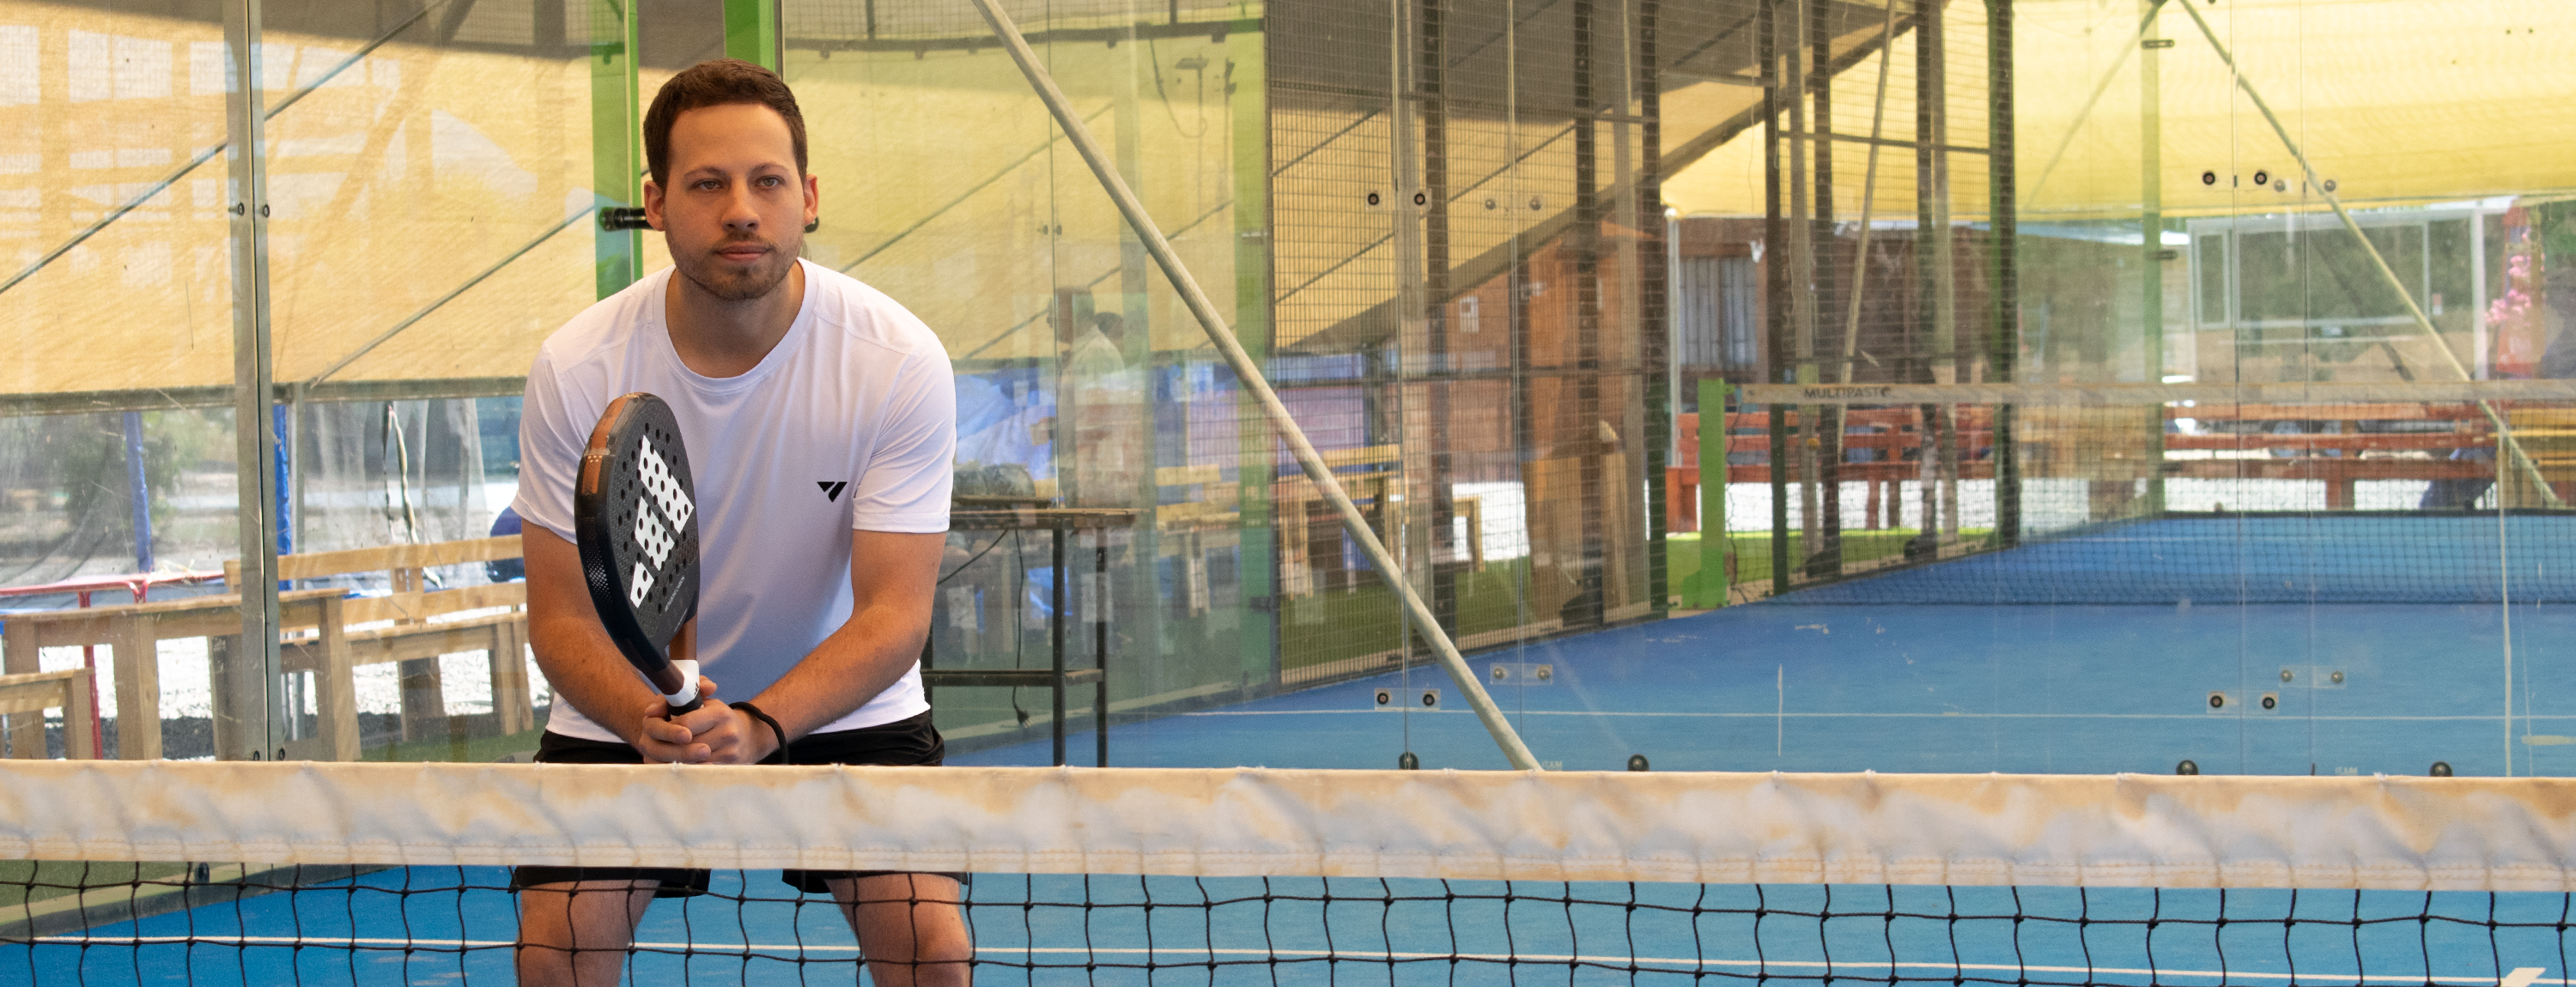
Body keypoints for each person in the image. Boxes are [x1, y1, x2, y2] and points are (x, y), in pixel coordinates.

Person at [505, 59, 965, 986]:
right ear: (658, 201)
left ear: (809, 196)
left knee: (933, 951)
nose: (741, 210)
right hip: (633, 710)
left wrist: (760, 720)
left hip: (843, 702)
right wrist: (650, 715)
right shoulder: (578, 365)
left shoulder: (897, 360)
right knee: (555, 951)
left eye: (767, 181)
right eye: (707, 184)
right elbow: (558, 621)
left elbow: (894, 617)